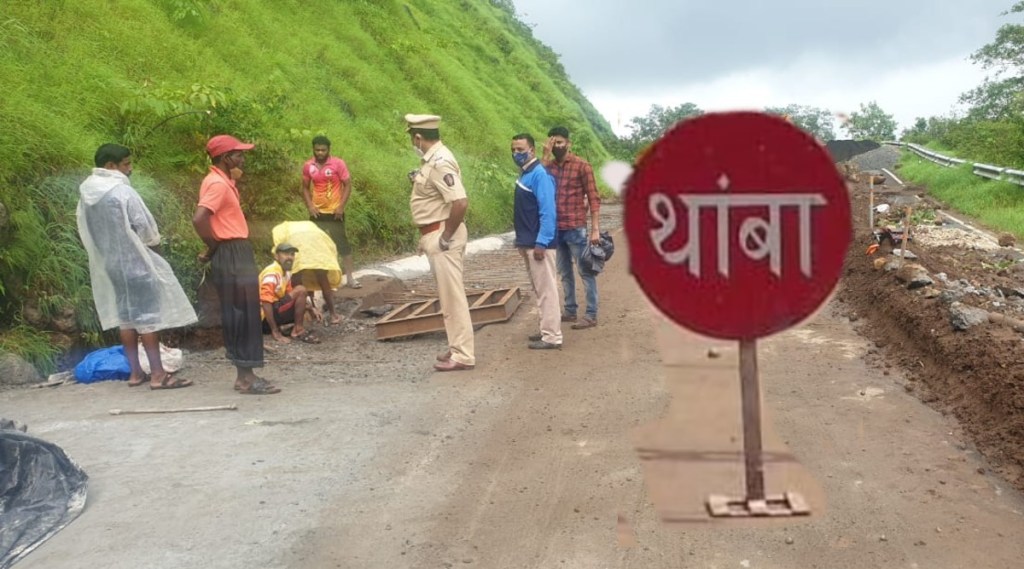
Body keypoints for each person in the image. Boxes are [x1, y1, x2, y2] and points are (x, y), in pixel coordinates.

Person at [76, 143, 197, 389]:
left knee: (127, 319)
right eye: (126, 164)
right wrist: (159, 258)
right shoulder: (122, 192)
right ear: (111, 166)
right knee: (148, 318)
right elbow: (146, 229)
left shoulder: (87, 196)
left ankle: (135, 374)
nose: (130, 169)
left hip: (111, 265)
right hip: (138, 263)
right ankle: (158, 375)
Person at [193, 134, 280, 395]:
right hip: (231, 251)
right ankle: (246, 378)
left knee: (240, 312)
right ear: (224, 157)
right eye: (238, 154)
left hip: (232, 250)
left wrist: (213, 247)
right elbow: (199, 219)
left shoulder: (221, 181)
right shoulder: (217, 185)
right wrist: (213, 245)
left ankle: (244, 375)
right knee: (243, 312)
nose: (242, 158)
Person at [405, 113, 475, 371]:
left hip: (444, 233)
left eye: (413, 138)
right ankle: (458, 345)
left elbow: (460, 202)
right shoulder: (431, 161)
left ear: (419, 137)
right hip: (435, 232)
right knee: (449, 297)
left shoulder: (439, 162)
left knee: (452, 298)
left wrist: (444, 237)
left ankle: (463, 355)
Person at [542, 126, 602, 330]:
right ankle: (570, 310)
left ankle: (591, 314)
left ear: (568, 143)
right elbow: (538, 184)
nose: (557, 146)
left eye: (560, 142)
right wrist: (544, 155)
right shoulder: (548, 167)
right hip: (556, 228)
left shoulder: (582, 166)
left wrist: (595, 229)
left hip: (576, 227)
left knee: (585, 271)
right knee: (564, 272)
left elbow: (594, 198)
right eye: (553, 142)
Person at [510, 133, 562, 350]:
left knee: (547, 290)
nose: (516, 154)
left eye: (521, 150)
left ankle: (552, 336)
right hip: (528, 242)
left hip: (538, 244)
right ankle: (546, 330)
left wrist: (541, 242)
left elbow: (548, 211)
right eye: (513, 150)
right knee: (540, 290)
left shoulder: (539, 175)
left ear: (531, 150)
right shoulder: (526, 174)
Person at [301, 135, 361, 290]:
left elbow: (347, 185)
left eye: (323, 150)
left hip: (335, 213)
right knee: (316, 246)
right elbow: (305, 187)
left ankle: (350, 278)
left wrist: (341, 206)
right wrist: (310, 206)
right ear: (313, 149)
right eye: (317, 150)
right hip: (317, 214)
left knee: (342, 245)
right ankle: (320, 281)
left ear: (329, 150)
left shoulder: (338, 164)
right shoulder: (308, 166)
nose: (320, 153)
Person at [271, 220, 344, 325]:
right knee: (322, 276)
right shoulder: (312, 226)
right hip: (317, 247)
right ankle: (333, 315)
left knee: (298, 275)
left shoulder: (283, 228)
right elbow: (329, 243)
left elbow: (279, 244)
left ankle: (303, 313)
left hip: (300, 246)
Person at [259, 243, 321, 344]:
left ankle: (293, 327)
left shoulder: (286, 273)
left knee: (303, 301)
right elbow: (265, 303)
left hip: (275, 310)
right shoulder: (272, 273)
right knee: (300, 290)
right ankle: (297, 330)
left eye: (292, 254)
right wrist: (275, 332)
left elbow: (290, 297)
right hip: (262, 319)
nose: (290, 257)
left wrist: (311, 308)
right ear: (276, 256)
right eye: (285, 254)